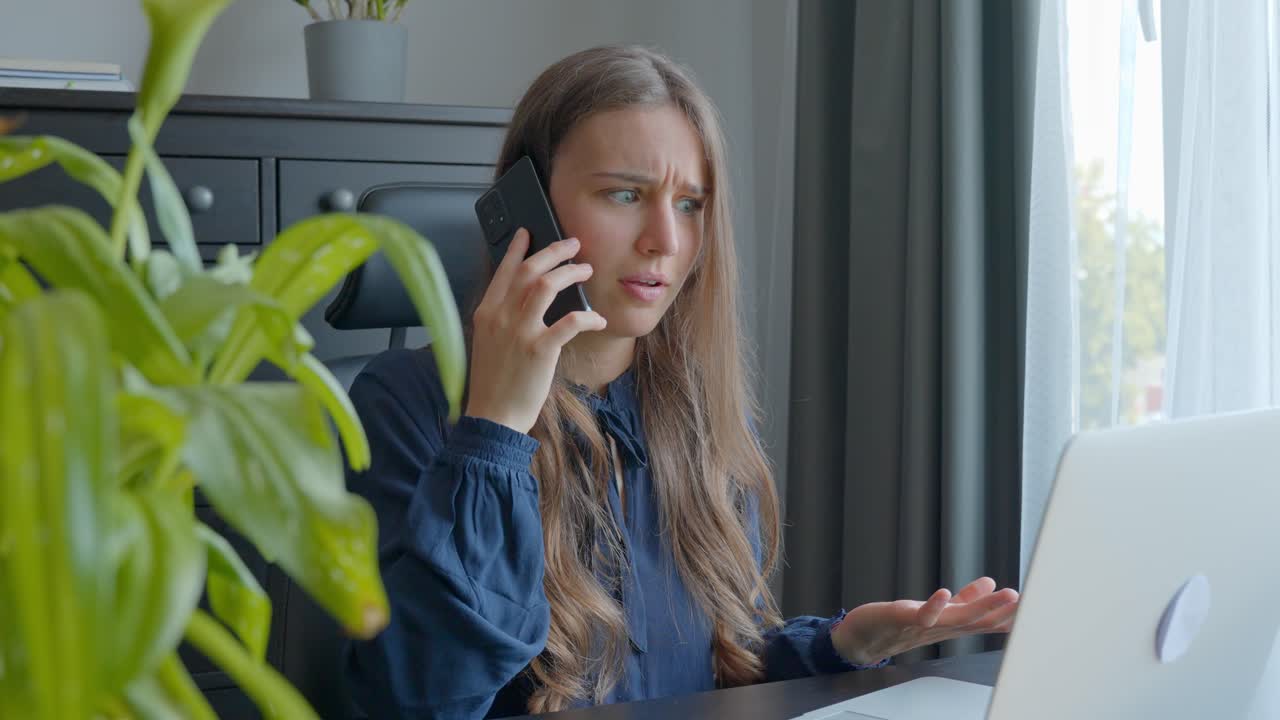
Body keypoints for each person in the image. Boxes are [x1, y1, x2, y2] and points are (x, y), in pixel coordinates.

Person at [342, 44, 1019, 719]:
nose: (665, 239)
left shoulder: (696, 413)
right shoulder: (405, 403)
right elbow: (423, 701)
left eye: (691, 204)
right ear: (527, 208)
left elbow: (714, 673)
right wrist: (494, 433)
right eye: (626, 194)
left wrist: (844, 642)